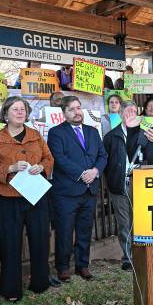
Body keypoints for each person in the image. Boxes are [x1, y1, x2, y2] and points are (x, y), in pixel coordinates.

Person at [0, 96, 56, 300]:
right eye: (15, 109)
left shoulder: (35, 135)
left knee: (40, 240)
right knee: (9, 243)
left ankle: (41, 283)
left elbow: (48, 158)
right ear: (5, 113)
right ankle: (11, 289)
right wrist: (10, 168)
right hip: (7, 198)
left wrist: (42, 167)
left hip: (35, 196)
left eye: (23, 109)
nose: (20, 112)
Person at [47, 96, 108, 281]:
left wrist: (96, 170)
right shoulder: (56, 133)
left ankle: (82, 265)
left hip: (89, 191)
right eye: (72, 109)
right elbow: (60, 159)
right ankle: (63, 267)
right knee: (65, 231)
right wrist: (83, 173)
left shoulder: (92, 131)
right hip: (67, 192)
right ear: (64, 113)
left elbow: (102, 154)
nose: (77, 112)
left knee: (84, 230)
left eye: (79, 108)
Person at [103, 100, 135, 271]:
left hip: (140, 186)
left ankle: (141, 254)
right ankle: (128, 257)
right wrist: (113, 179)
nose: (131, 114)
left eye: (134, 111)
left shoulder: (144, 134)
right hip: (119, 185)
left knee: (139, 222)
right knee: (124, 223)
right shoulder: (111, 137)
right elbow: (105, 162)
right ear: (121, 114)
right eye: (128, 111)